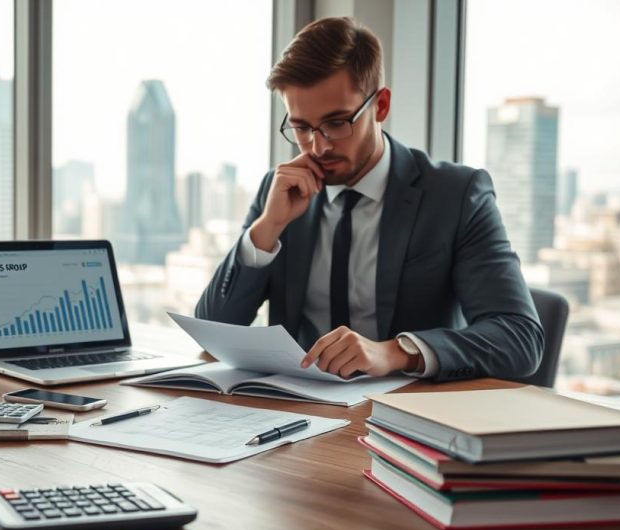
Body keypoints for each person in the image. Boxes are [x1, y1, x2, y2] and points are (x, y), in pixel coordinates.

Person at [195, 16, 543, 382]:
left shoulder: (456, 195)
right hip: (300, 416)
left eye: (336, 122)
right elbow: (211, 332)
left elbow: (520, 337)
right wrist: (267, 229)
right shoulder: (280, 191)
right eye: (301, 127)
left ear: (380, 106)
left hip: (410, 417)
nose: (319, 145)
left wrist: (395, 352)